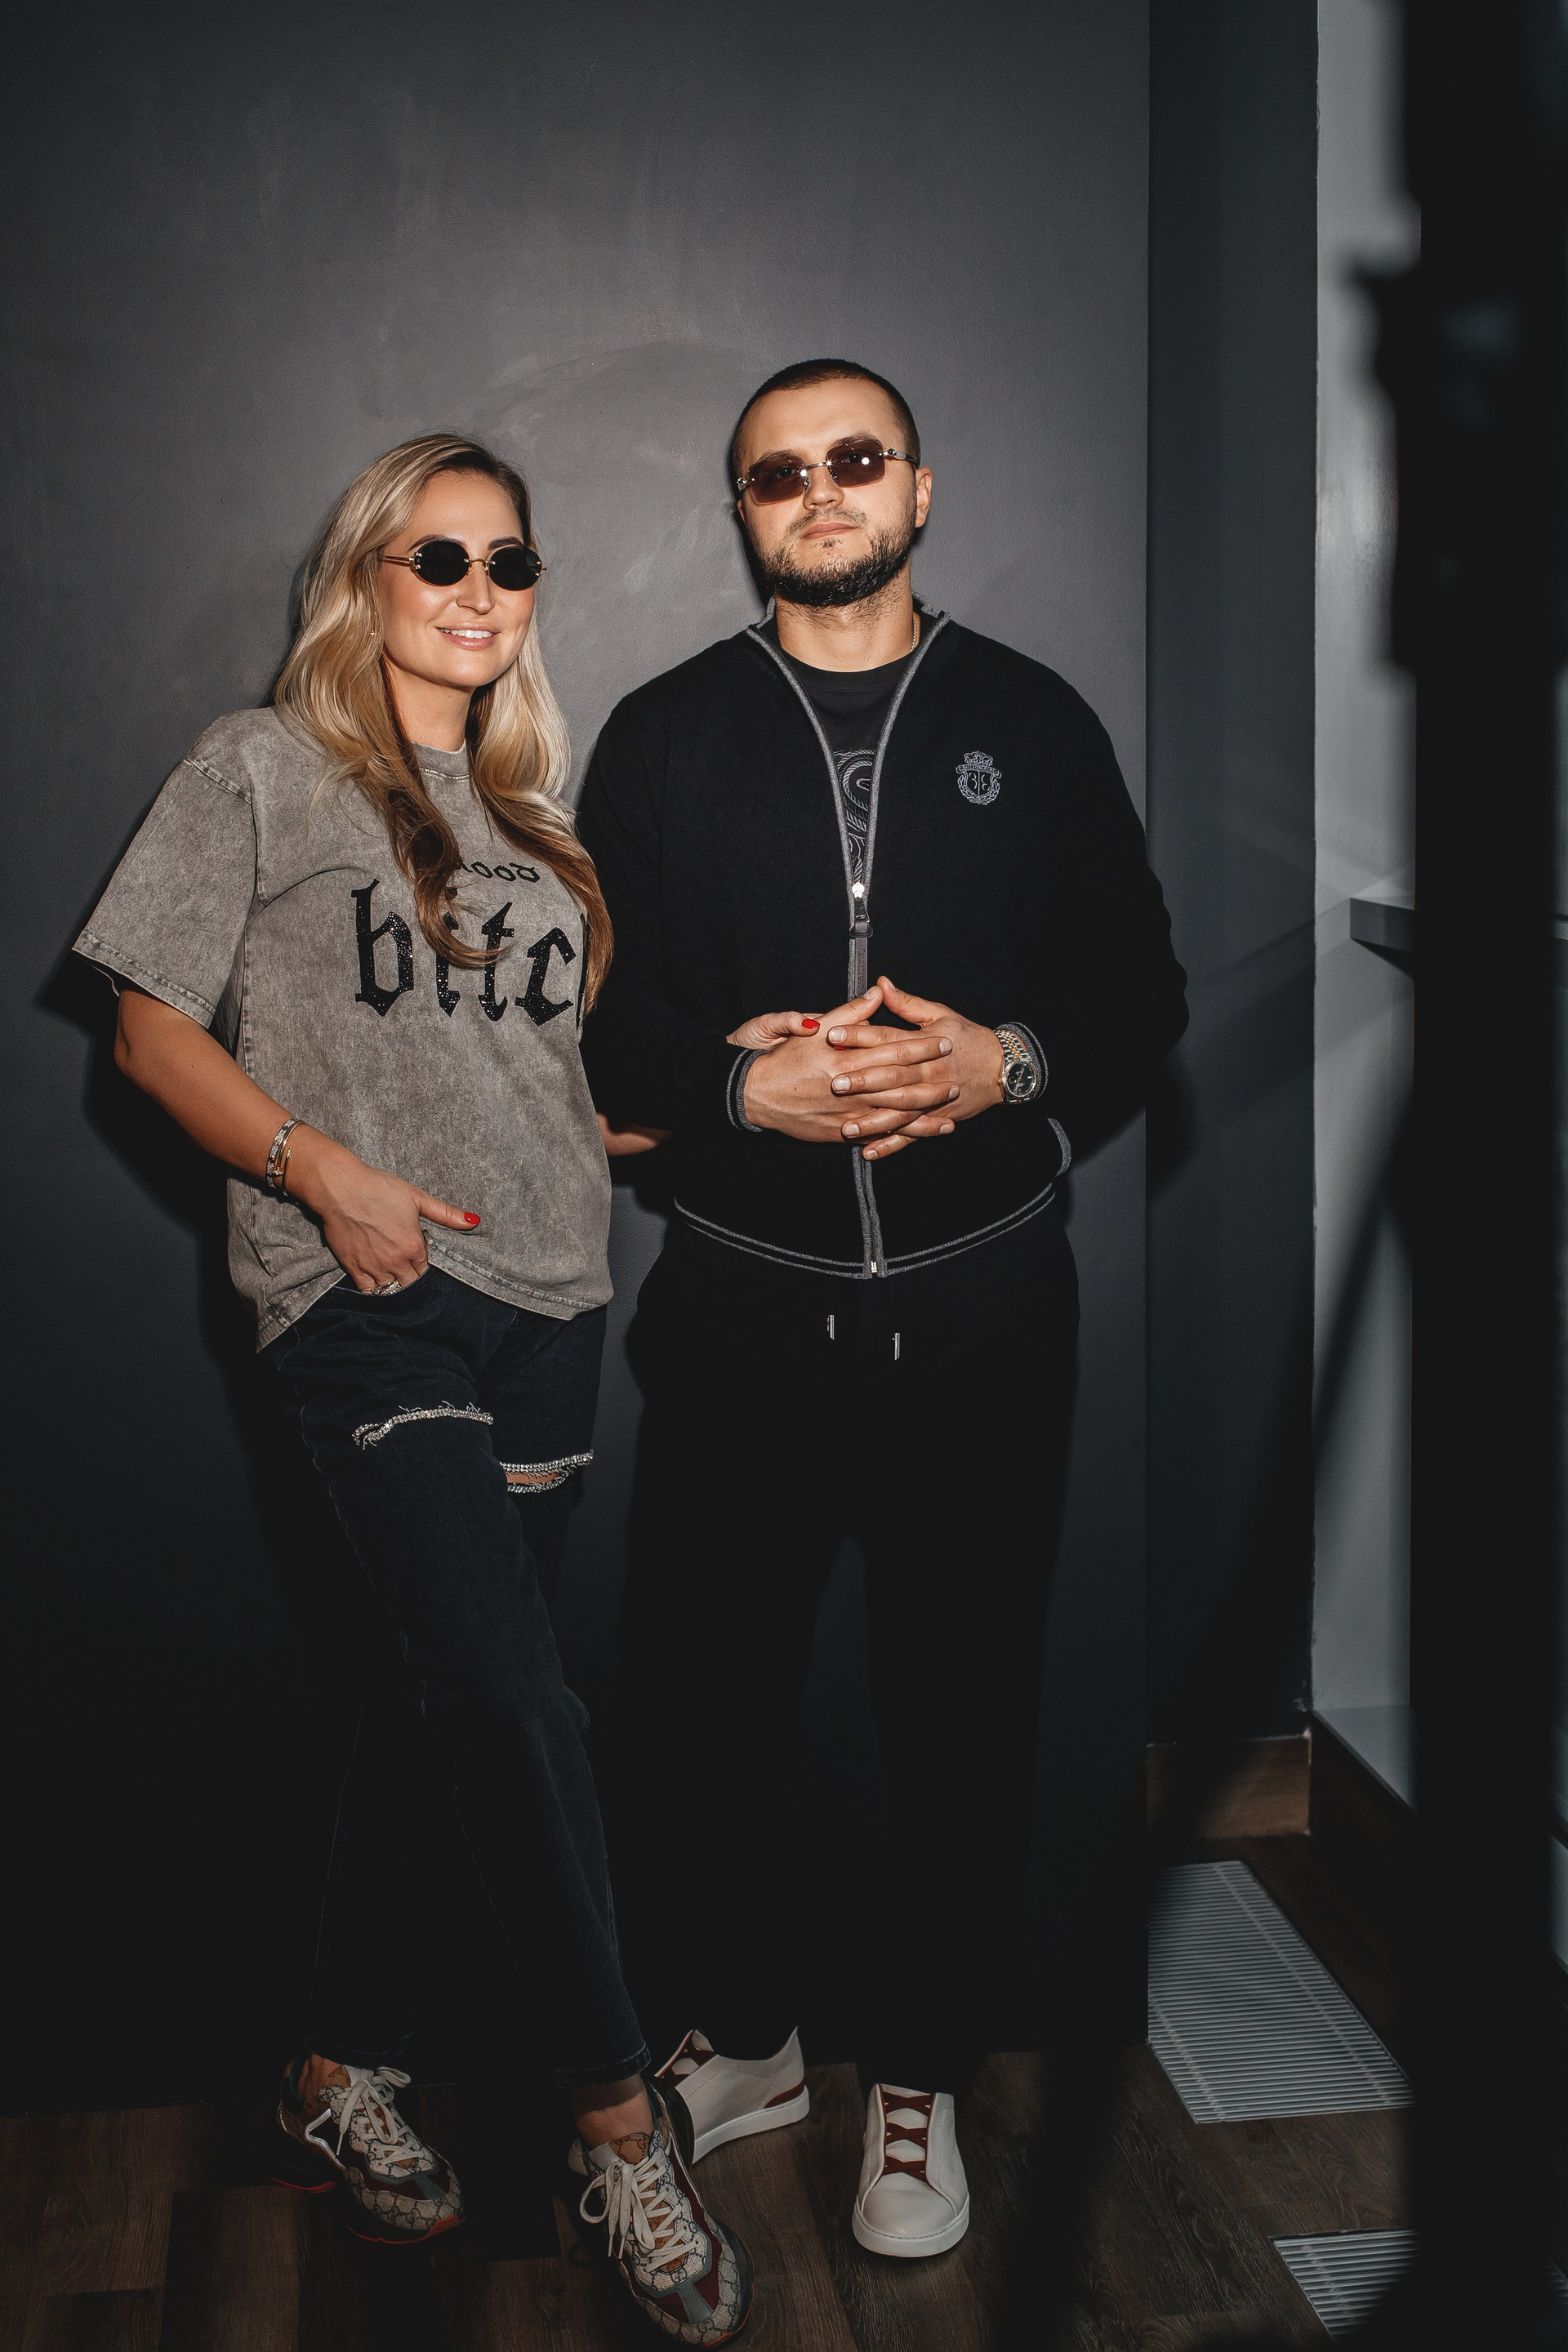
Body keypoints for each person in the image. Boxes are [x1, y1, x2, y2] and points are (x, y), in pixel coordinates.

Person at [74, 434, 751, 2344]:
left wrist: (705, 1091)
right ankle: (619, 2127)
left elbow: (537, 1087)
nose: (477, 590)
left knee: (443, 1694)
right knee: (517, 1697)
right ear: (366, 573)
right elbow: (146, 1031)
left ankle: (333, 2069)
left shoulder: (540, 831)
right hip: (364, 1296)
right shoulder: (259, 769)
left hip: (552, 1305)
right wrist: (322, 1173)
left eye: (508, 561)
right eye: (437, 555)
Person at [578, 360, 1188, 2260]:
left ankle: (916, 2081)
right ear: (744, 513)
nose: (820, 491)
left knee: (963, 1715)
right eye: (780, 473)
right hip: (745, 1309)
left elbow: (1139, 991)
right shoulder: (666, 735)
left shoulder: (1033, 717)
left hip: (982, 1312)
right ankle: (753, 2038)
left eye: (856, 459)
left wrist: (1008, 1061)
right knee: (700, 1712)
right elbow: (597, 1012)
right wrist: (732, 1086)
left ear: (918, 489)